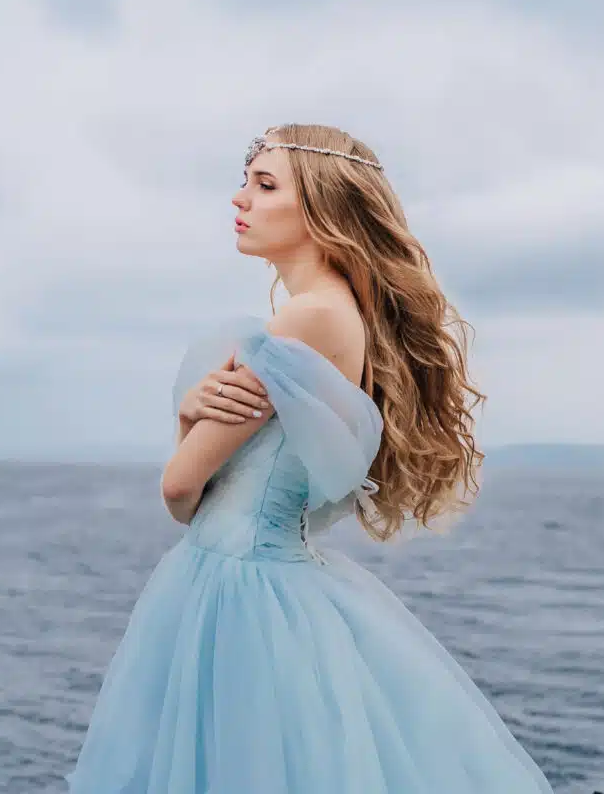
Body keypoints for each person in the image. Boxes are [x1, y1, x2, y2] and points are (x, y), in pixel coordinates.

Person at [66, 124, 555, 793]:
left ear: (324, 208)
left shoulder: (299, 324)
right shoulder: (335, 314)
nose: (241, 198)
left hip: (238, 590)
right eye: (245, 180)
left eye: (266, 185)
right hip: (269, 582)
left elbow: (181, 494)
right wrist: (191, 419)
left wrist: (187, 430)